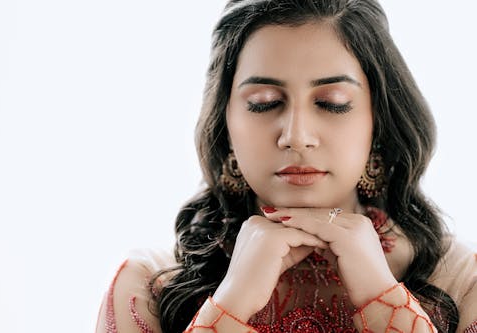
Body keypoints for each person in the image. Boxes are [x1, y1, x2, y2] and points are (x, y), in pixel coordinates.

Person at [95, 0, 477, 332]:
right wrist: (230, 305)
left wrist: (383, 299)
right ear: (225, 124)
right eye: (264, 102)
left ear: (377, 121)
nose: (296, 135)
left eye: (332, 102)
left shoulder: (458, 280)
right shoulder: (149, 287)